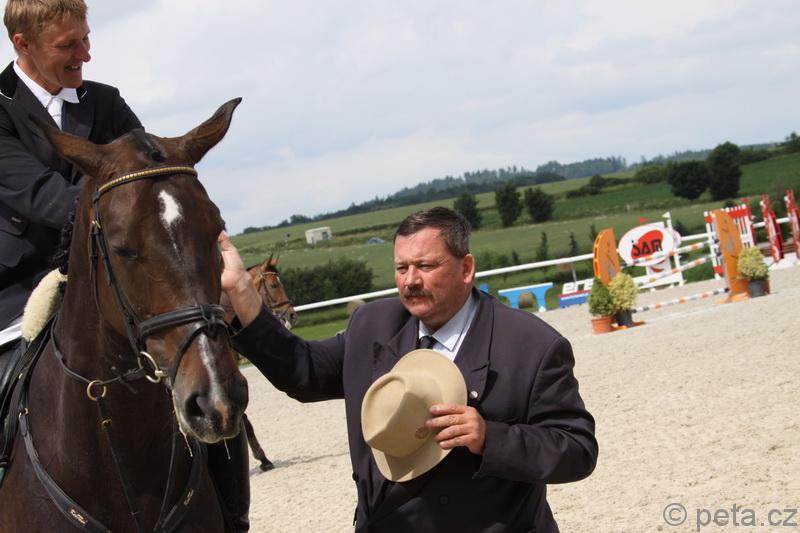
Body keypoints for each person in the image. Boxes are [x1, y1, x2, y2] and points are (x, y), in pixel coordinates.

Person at [0, 3, 250, 531]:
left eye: (86, 38)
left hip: (116, 281)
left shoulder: (106, 102)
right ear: (23, 45)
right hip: (19, 297)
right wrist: (127, 209)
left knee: (209, 378)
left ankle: (233, 517)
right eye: (68, 45)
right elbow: (42, 197)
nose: (85, 54)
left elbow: (150, 182)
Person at [220, 206, 598, 532]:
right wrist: (241, 293)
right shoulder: (371, 326)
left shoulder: (532, 345)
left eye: (426, 266)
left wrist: (490, 438)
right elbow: (302, 371)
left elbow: (577, 450)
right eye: (401, 267)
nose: (410, 280)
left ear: (466, 268)